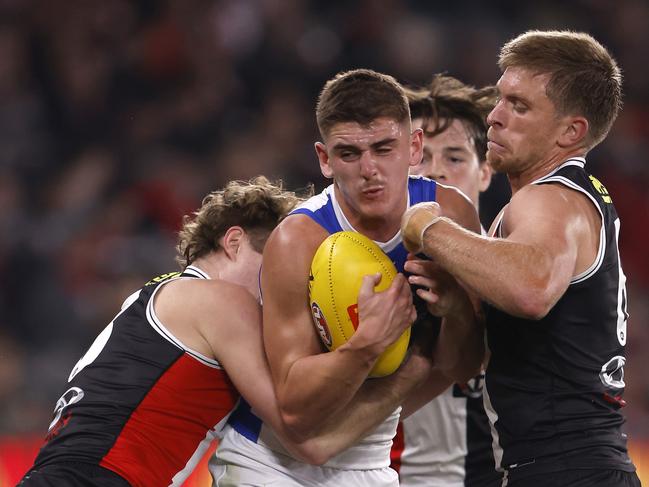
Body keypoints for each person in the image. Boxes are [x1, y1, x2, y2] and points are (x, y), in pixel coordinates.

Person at [19, 177, 423, 487]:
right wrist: (404, 360)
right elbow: (308, 439)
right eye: (278, 269)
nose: (284, 292)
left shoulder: (163, 294)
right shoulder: (224, 302)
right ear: (234, 241)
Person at [212, 69, 485, 487]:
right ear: (324, 159)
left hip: (370, 461)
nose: (369, 169)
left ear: (413, 148)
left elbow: (463, 368)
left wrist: (458, 312)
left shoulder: (453, 216)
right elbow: (296, 412)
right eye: (349, 154)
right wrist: (368, 343)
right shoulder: (298, 240)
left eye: (383, 148)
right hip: (269, 464)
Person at [401, 30, 640, 487]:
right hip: (573, 466)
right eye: (500, 99)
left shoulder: (548, 199)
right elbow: (468, 365)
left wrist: (428, 228)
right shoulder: (566, 201)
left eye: (519, 106)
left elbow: (530, 290)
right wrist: (456, 308)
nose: (494, 117)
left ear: (571, 131)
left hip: (563, 469)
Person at [391, 74, 503, 487]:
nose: (436, 170)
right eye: (422, 156)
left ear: (486, 172)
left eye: (455, 157)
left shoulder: (517, 266)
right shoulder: (361, 261)